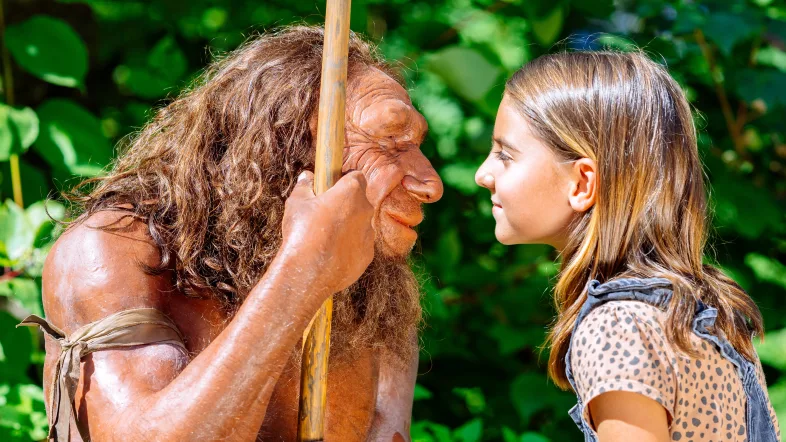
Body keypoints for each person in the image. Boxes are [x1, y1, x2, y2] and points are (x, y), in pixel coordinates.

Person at [20, 26, 443, 442]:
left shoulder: (375, 293)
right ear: (285, 142)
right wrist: (303, 274)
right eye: (391, 141)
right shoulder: (115, 249)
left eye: (418, 145)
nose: (431, 184)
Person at [474, 50, 781, 442]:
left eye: (505, 154)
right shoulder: (700, 306)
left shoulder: (617, 326)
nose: (484, 174)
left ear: (582, 183)